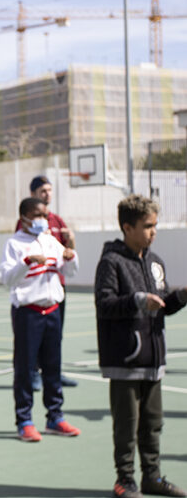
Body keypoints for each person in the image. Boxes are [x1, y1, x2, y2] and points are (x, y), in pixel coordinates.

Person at [95, 194, 187, 498]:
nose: (153, 232)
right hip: (125, 360)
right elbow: (105, 304)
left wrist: (182, 296)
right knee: (127, 426)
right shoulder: (111, 262)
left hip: (153, 359)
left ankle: (152, 477)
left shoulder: (155, 261)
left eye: (155, 225)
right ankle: (125, 481)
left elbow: (162, 306)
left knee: (153, 424)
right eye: (148, 226)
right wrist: (138, 301)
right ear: (127, 227)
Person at [0, 197, 80, 442]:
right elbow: (8, 279)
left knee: (53, 367)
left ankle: (55, 417)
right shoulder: (14, 244)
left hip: (53, 310)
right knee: (25, 368)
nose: (42, 220)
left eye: (45, 215)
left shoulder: (50, 240)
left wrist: (70, 256)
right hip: (28, 313)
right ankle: (24, 420)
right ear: (24, 218)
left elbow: (70, 271)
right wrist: (27, 262)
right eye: (37, 215)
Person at [14, 175, 78, 389]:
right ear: (33, 193)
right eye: (43, 191)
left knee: (55, 335)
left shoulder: (58, 221)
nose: (47, 194)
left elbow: (68, 251)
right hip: (34, 289)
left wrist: (71, 243)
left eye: (49, 190)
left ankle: (54, 372)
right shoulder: (27, 223)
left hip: (56, 285)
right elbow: (21, 251)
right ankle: (33, 373)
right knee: (32, 339)